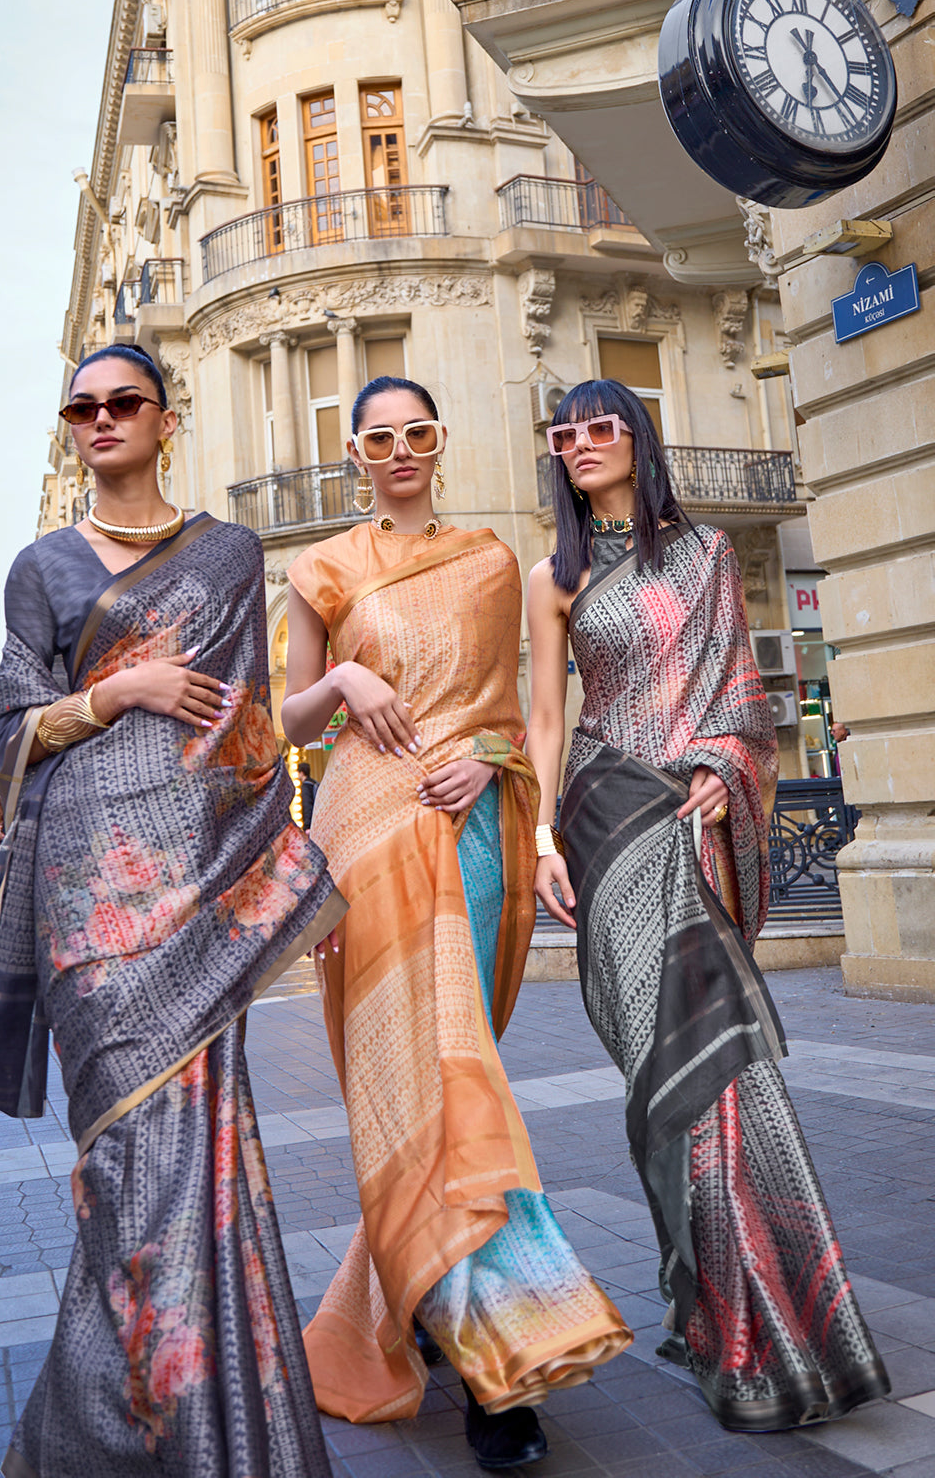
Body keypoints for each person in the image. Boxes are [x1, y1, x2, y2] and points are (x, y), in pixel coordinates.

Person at [0, 344, 343, 1478]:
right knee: (122, 1162)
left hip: (194, 900)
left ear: (166, 419)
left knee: (193, 1161)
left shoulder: (229, 555)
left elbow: (253, 736)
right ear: (71, 427)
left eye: (124, 402)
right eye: (82, 406)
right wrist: (119, 689)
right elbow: (14, 727)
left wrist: (274, 883)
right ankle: (175, 1430)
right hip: (81, 896)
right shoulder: (42, 568)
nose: (101, 417)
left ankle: (156, 1433)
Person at [525, 378, 888, 1432]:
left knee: (716, 1071)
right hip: (604, 818)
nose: (584, 443)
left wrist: (721, 764)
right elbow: (546, 715)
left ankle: (752, 1319)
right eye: (567, 433)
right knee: (655, 1071)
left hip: (693, 818)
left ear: (638, 438)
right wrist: (544, 831)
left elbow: (741, 696)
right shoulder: (555, 574)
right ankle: (709, 1295)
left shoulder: (711, 553)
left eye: (603, 426)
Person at [282, 375, 630, 1469]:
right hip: (363, 839)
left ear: (440, 442)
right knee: (400, 1095)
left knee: (456, 1079)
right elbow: (283, 712)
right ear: (355, 453)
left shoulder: (487, 560)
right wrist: (341, 670)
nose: (399, 452)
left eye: (417, 433)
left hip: (468, 837)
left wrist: (492, 767)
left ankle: (489, 1347)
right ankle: (482, 1350)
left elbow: (521, 715)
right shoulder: (323, 568)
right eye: (378, 438)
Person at [297, 760, 318, 830]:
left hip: (311, 824)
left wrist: (307, 826)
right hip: (316, 820)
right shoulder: (314, 783)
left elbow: (307, 805)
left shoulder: (306, 786)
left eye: (298, 772)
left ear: (302, 773)